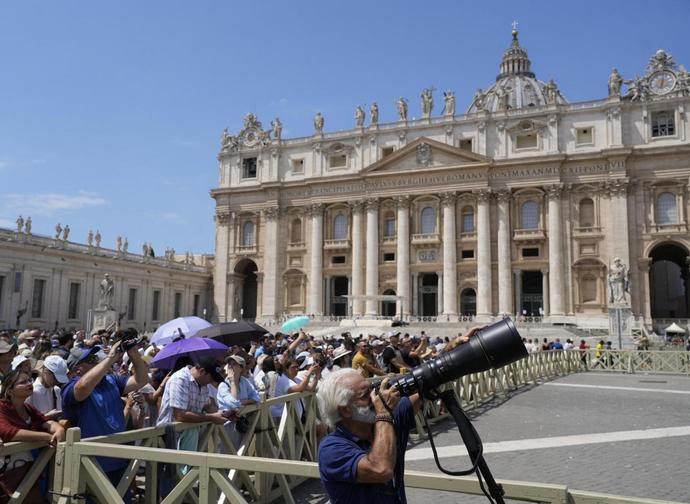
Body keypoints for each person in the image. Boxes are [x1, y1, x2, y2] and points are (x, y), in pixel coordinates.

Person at [317, 369, 422, 503]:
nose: (375, 397)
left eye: (373, 388)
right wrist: (383, 412)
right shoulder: (331, 449)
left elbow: (419, 397)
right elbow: (382, 469)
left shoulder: (381, 424)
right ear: (345, 410)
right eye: (366, 395)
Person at [62, 336, 148, 487]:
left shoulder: (111, 380)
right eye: (90, 360)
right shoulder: (70, 387)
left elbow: (141, 380)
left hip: (118, 460)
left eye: (96, 358)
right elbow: (82, 388)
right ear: (76, 369)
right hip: (90, 465)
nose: (96, 361)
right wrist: (109, 359)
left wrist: (134, 354)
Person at [0, 370, 65, 502]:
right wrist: (46, 437)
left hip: (25, 468)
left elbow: (47, 422)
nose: (29, 384)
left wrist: (59, 429)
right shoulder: (2, 407)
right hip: (6, 470)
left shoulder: (28, 408)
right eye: (23, 382)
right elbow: (9, 432)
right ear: (10, 390)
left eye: (29, 380)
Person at [26, 355, 69, 420]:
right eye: (55, 378)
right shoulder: (31, 392)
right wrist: (46, 417)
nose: (57, 381)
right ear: (46, 371)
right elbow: (26, 421)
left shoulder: (57, 390)